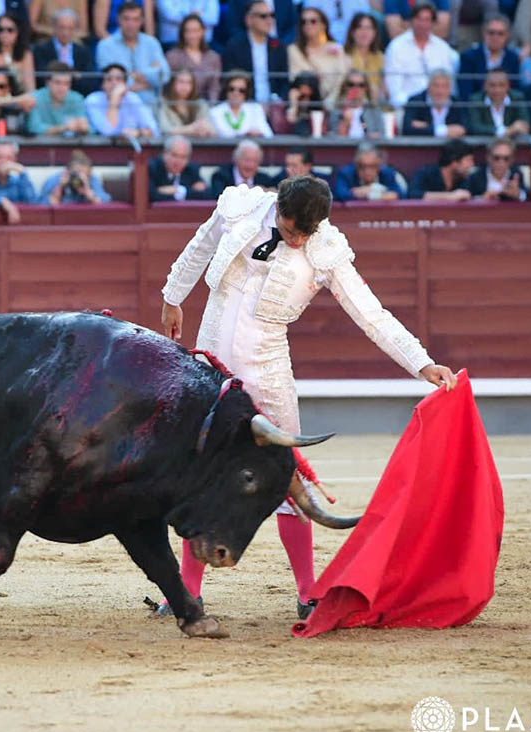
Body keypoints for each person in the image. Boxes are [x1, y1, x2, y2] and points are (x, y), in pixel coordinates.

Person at [157, 175, 457, 619]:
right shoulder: (240, 207)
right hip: (212, 362)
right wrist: (172, 297)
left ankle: (307, 590)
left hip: (269, 369)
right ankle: (185, 592)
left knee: (286, 478)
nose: (297, 240)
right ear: (279, 208)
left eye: (305, 234)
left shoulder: (325, 250)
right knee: (198, 472)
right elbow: (200, 246)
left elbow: (370, 313)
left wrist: (420, 362)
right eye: (293, 229)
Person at [383, 0, 459, 107]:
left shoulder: (443, 48)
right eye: (419, 19)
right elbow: (394, 90)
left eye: (427, 20)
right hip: (406, 107)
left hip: (438, 108)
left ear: (433, 23)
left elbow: (450, 86)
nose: (422, 24)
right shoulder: (396, 47)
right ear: (411, 21)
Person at [95, 1, 169, 106]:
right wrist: (150, 78)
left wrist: (136, 75)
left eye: (135, 19)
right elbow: (111, 83)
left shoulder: (152, 43)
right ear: (118, 19)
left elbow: (165, 75)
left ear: (142, 21)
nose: (131, 24)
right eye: (126, 19)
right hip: (119, 105)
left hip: (151, 105)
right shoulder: (105, 46)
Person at [221, 1, 289, 103]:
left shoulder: (278, 47)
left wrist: (277, 101)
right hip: (244, 106)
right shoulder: (234, 47)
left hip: (274, 107)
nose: (269, 20)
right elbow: (230, 80)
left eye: (272, 15)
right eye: (263, 16)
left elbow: (284, 81)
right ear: (248, 20)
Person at [289, 6, 350, 108]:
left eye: (313, 21)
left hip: (334, 105)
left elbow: (342, 79)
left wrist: (329, 104)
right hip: (306, 104)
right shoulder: (294, 50)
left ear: (323, 25)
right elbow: (296, 78)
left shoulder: (336, 49)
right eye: (304, 22)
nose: (308, 25)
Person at [457, 14, 522, 101]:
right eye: (491, 33)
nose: (495, 37)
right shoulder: (468, 58)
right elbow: (465, 93)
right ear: (484, 33)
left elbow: (515, 92)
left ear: (507, 35)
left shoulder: (513, 58)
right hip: (475, 110)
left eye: (500, 33)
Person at [85, 62, 160, 137]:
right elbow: (108, 131)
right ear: (102, 85)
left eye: (118, 79)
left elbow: (154, 129)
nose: (114, 83)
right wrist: (114, 100)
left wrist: (138, 132)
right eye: (109, 79)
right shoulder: (93, 100)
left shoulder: (132, 98)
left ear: (125, 83)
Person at [32, 9, 95, 95]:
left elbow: (89, 82)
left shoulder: (83, 52)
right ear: (54, 27)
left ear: (76, 30)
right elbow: (41, 79)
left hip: (78, 95)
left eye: (70, 28)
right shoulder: (41, 50)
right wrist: (75, 76)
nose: (65, 32)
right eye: (62, 27)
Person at [164, 13, 222, 103]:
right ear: (182, 33)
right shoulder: (172, 56)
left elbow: (214, 87)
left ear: (203, 31)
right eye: (188, 31)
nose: (192, 36)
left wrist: (211, 107)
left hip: (205, 106)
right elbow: (168, 86)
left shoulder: (213, 58)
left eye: (195, 31)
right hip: (179, 104)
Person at [26, 61, 91, 136]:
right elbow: (34, 128)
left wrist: (84, 128)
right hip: (41, 146)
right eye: (57, 82)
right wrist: (64, 128)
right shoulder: (35, 98)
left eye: (66, 83)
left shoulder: (77, 98)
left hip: (70, 146)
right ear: (47, 82)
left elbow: (89, 128)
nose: (62, 88)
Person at [402, 67, 468, 136]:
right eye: (436, 86)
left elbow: (465, 129)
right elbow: (407, 129)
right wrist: (444, 131)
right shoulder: (415, 101)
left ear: (450, 88)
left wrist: (427, 128)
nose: (440, 91)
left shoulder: (458, 103)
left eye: (444, 86)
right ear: (428, 86)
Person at [0, 12, 35, 95]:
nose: (4, 34)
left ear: (18, 32)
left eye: (10, 30)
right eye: (1, 29)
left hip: (20, 101)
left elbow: (30, 87)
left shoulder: (26, 54)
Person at [468, 67, 531, 136]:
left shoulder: (517, 98)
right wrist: (507, 131)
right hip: (483, 145)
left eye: (501, 85)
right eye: (492, 85)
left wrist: (519, 127)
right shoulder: (475, 100)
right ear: (485, 86)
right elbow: (475, 127)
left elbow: (525, 124)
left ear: (508, 86)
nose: (497, 90)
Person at [209, 70, 273, 138]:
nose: (236, 93)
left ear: (247, 92)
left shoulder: (255, 109)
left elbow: (268, 134)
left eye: (241, 90)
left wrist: (258, 133)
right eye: (232, 89)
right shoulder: (215, 112)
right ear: (226, 90)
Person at [332, 142, 405, 201]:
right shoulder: (346, 173)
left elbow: (400, 194)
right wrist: (383, 194)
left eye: (372, 166)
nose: (367, 171)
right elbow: (340, 195)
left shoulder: (387, 173)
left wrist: (372, 190)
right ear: (356, 165)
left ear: (379, 165)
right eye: (362, 166)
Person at [407, 138, 476, 200]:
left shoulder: (466, 179)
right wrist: (450, 196)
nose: (472, 164)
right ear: (454, 162)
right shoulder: (426, 174)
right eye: (468, 160)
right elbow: (413, 195)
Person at [148, 135, 212, 201]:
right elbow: (151, 195)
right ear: (164, 154)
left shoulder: (191, 170)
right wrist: (190, 191)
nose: (178, 161)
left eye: (183, 157)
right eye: (174, 155)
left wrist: (180, 190)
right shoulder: (153, 168)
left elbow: (206, 194)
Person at [464, 136, 529, 200]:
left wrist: (517, 194)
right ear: (488, 157)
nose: (501, 163)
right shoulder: (475, 177)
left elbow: (526, 197)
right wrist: (482, 199)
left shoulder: (516, 174)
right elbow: (467, 200)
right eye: (496, 158)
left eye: (506, 159)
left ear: (512, 159)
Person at [0, 67, 36, 135]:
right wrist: (13, 100)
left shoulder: (14, 106)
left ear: (9, 88)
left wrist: (10, 101)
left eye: (1, 86)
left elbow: (30, 99)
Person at [40, 149, 112, 205]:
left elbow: (106, 203)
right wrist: (60, 187)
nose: (80, 178)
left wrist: (88, 193)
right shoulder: (56, 179)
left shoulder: (92, 179)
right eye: (77, 174)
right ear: (68, 171)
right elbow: (41, 206)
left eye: (85, 175)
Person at [156, 68, 215, 136]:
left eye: (189, 82)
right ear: (172, 83)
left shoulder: (200, 104)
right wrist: (191, 129)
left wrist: (204, 129)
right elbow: (164, 129)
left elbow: (212, 129)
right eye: (181, 82)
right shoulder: (163, 103)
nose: (185, 86)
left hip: (199, 144)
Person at [209, 138, 276, 197]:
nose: (250, 166)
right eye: (247, 160)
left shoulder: (265, 180)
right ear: (236, 159)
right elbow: (219, 198)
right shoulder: (220, 177)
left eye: (255, 161)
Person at [328, 70, 384, 137]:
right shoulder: (337, 110)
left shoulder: (373, 109)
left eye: (361, 85)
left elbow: (382, 135)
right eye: (351, 85)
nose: (356, 88)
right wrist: (345, 123)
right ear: (345, 87)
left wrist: (371, 135)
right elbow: (333, 140)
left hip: (369, 146)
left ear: (366, 88)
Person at [343, 11, 385, 101]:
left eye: (368, 28)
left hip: (375, 105)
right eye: (360, 27)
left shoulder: (381, 58)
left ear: (375, 32)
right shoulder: (343, 57)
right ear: (352, 32)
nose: (364, 32)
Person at [304, 0, 373, 45]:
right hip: (323, 44)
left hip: (353, 47)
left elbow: (366, 22)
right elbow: (308, 22)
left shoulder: (360, 2)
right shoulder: (313, 1)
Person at [384, 0, 450, 40]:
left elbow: (442, 31)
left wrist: (405, 24)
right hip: (402, 49)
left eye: (427, 19)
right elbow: (394, 33)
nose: (422, 24)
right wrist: (429, 24)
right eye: (417, 18)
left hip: (434, 48)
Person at [283, 71, 324, 136]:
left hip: (312, 133)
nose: (306, 100)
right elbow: (290, 121)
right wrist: (294, 104)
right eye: (303, 95)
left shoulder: (316, 101)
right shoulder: (292, 98)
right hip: (293, 133)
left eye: (309, 96)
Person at [93, 0, 157, 40]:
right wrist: (118, 47)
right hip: (108, 41)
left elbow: (149, 30)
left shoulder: (147, 1)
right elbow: (100, 31)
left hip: (137, 43)